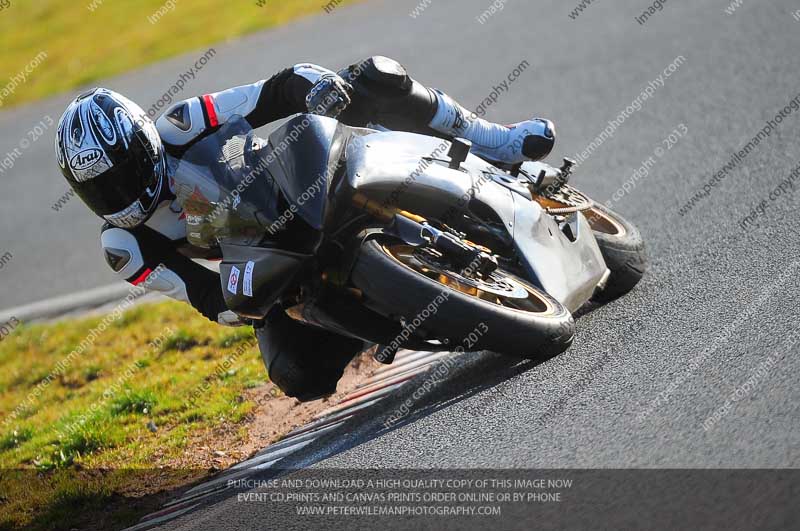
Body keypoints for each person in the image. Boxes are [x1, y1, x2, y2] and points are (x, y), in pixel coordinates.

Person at [54, 56, 556, 401]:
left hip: (293, 186)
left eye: (123, 172)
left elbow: (275, 90)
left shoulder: (182, 125)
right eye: (101, 189)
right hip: (262, 267)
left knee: (374, 76)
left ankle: (495, 141)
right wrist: (251, 303)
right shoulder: (124, 246)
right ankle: (376, 317)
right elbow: (204, 297)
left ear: (143, 141)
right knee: (299, 376)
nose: (118, 193)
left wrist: (318, 89)